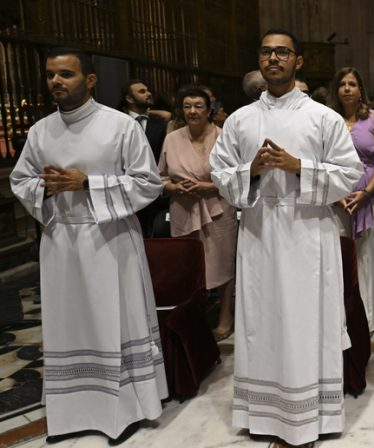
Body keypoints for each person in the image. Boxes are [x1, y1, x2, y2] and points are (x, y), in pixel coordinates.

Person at [210, 29, 362, 448]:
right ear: (259, 60)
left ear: (298, 62)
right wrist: (252, 172)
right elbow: (220, 175)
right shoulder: (240, 120)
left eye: (283, 52)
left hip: (309, 231)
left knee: (305, 322)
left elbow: (351, 174)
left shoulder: (323, 118)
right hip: (260, 231)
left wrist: (300, 166)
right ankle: (263, 411)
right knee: (263, 321)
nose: (273, 58)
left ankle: (308, 415)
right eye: (266, 52)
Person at [10, 47, 167, 445]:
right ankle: (71, 413)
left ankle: (126, 409)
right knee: (69, 326)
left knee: (114, 321)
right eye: (50, 75)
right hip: (61, 241)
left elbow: (148, 183)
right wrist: (43, 189)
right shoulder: (41, 131)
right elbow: (21, 179)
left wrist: (88, 184)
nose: (56, 82)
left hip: (110, 240)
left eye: (66, 74)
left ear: (90, 80)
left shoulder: (120, 126)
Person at [159, 87, 237, 341]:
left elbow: (236, 175)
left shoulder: (222, 136)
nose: (192, 111)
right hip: (183, 208)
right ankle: (195, 316)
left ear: (208, 110)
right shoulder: (172, 138)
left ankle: (225, 317)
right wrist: (173, 186)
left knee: (223, 264)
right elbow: (160, 176)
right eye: (187, 106)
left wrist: (207, 185)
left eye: (198, 106)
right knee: (190, 267)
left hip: (217, 207)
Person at [329, 67, 374, 332]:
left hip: (369, 195)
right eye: (342, 84)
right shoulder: (328, 119)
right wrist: (338, 193)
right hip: (336, 195)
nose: (347, 88)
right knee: (339, 254)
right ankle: (340, 317)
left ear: (360, 89)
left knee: (365, 255)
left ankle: (367, 320)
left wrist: (366, 193)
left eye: (352, 83)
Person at [121, 79, 169, 237]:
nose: (148, 93)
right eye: (141, 91)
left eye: (147, 90)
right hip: (124, 190)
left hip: (154, 192)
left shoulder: (161, 124)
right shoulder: (119, 122)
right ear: (129, 98)